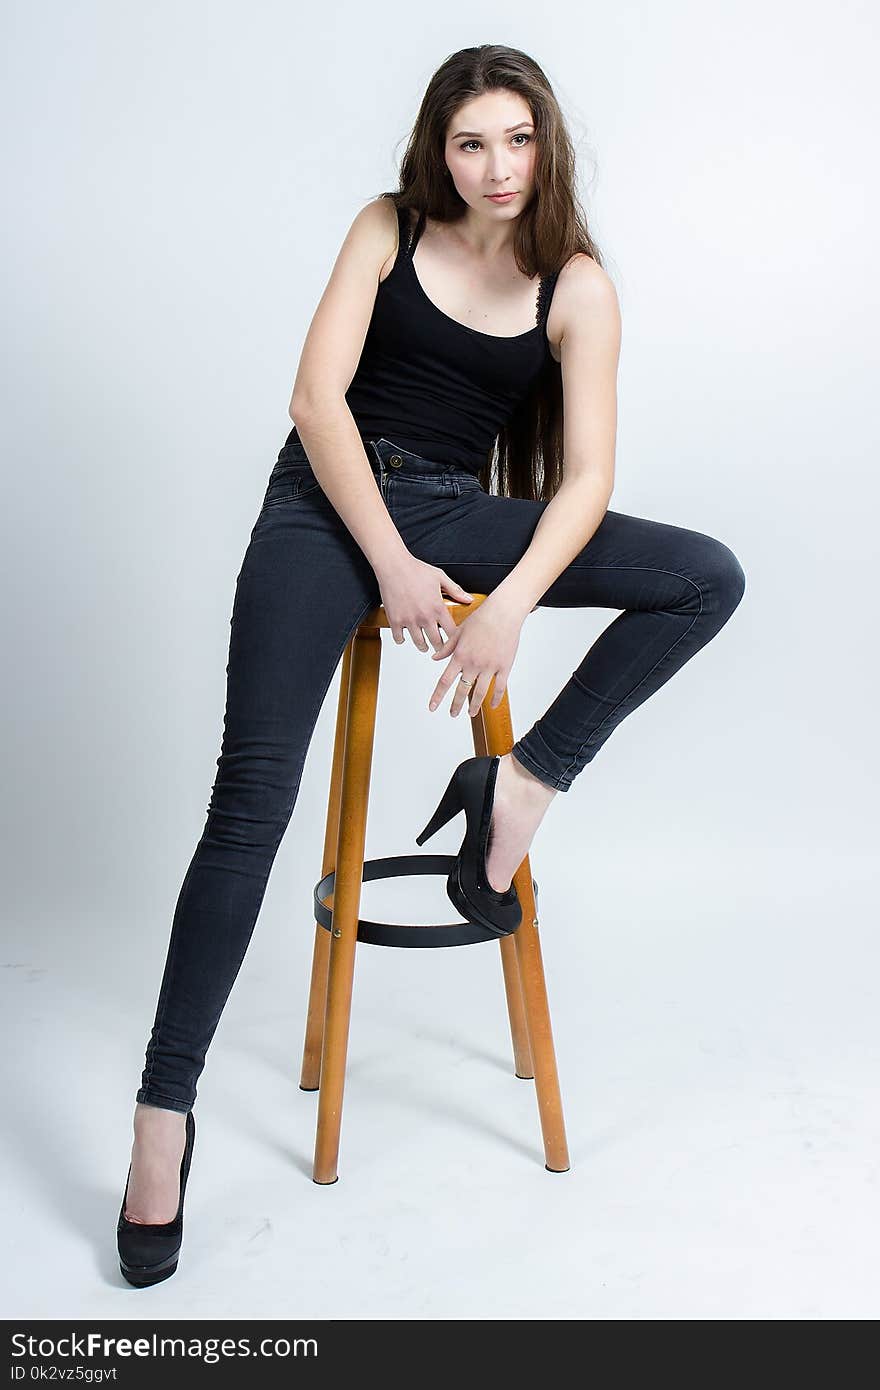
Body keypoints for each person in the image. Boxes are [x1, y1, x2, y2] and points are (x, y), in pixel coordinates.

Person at [117, 44, 746, 1284]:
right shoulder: (385, 229)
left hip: (460, 511)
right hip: (323, 507)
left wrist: (505, 601)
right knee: (249, 808)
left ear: (545, 143)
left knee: (704, 575)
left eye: (517, 140)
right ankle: (159, 1120)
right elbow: (316, 400)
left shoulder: (577, 286)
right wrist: (395, 569)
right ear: (437, 150)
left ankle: (518, 786)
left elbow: (589, 482)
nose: (496, 167)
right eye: (471, 143)